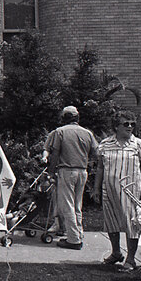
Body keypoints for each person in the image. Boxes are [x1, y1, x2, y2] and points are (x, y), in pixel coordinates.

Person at [93, 111, 141, 272]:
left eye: (132, 124)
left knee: (131, 224)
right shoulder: (105, 144)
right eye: (126, 124)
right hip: (110, 190)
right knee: (111, 221)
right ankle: (116, 253)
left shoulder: (138, 144)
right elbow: (100, 168)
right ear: (116, 126)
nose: (130, 127)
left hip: (131, 192)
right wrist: (96, 189)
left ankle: (131, 259)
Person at [43, 106, 98, 250]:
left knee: (67, 205)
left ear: (64, 117)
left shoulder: (61, 132)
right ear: (77, 118)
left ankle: (73, 239)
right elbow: (95, 153)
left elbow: (55, 154)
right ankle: (78, 233)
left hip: (67, 170)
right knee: (77, 205)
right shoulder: (87, 133)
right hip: (82, 171)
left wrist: (51, 171)